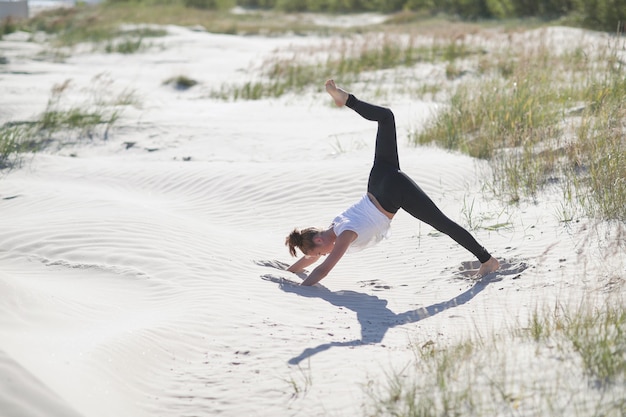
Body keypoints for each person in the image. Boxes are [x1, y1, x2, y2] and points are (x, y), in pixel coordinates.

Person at [285, 80, 500, 286]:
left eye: (321, 252)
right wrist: (290, 272)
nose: (323, 256)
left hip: (392, 193)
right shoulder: (334, 225)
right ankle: (347, 99)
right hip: (377, 179)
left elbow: (323, 269)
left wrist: (300, 289)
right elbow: (311, 258)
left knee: (442, 223)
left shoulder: (344, 235)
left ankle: (488, 261)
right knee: (386, 117)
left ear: (320, 241)